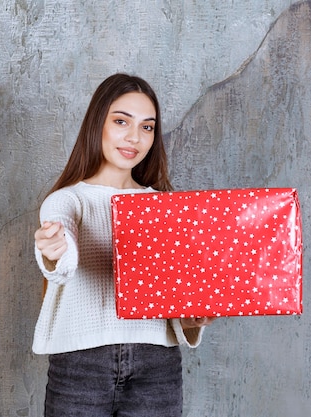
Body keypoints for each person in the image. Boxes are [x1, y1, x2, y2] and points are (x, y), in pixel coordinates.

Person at [33, 73, 214, 417]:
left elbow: (173, 297)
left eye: (147, 127)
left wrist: (192, 316)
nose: (135, 137)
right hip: (81, 365)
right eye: (121, 121)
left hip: (156, 365)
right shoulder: (67, 201)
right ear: (96, 124)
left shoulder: (167, 207)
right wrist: (54, 250)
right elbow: (63, 251)